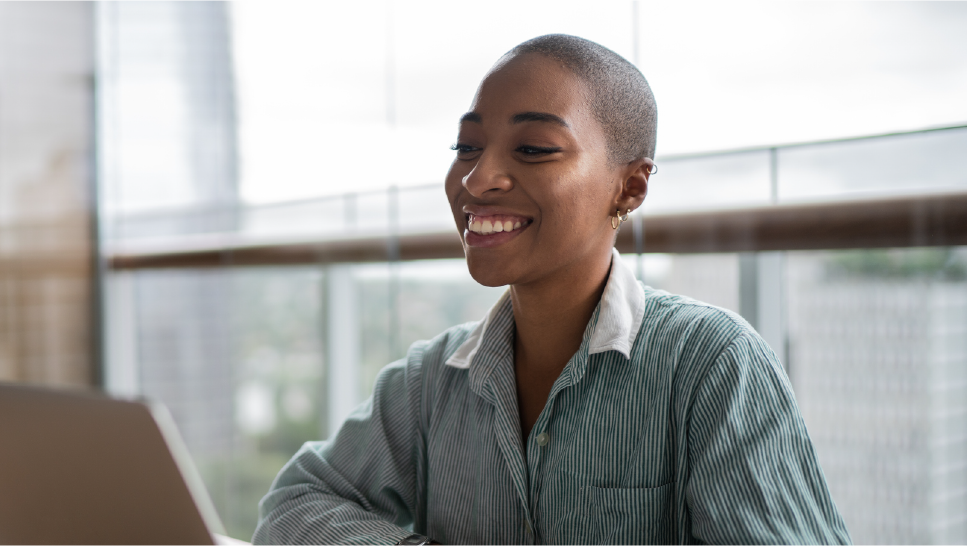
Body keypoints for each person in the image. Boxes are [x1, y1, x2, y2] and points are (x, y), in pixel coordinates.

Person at [253, 34, 851, 546]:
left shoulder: (711, 364)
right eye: (467, 147)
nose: (478, 178)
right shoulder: (429, 381)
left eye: (534, 149)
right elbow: (291, 507)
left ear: (630, 188)